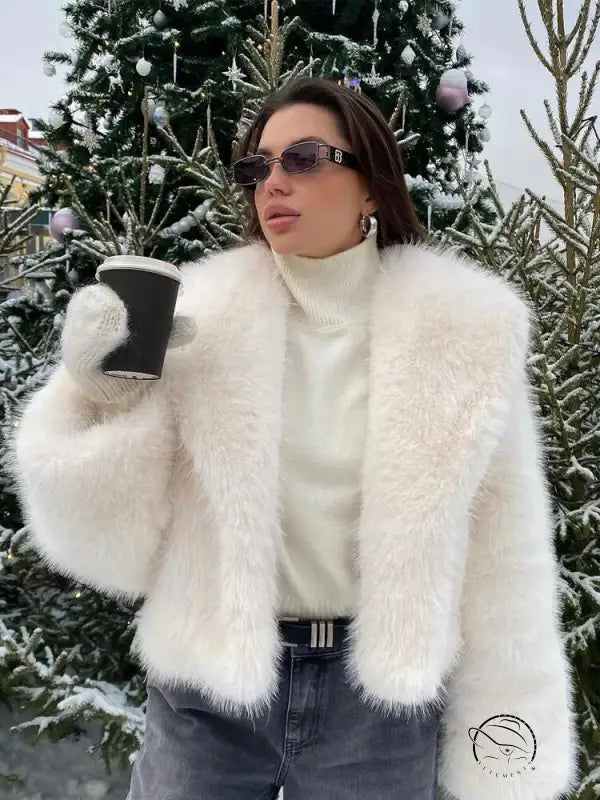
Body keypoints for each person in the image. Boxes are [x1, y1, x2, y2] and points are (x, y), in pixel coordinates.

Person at [10, 77, 578, 800]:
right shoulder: (198, 319)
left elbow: (507, 550)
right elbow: (110, 545)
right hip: (209, 685)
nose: (272, 182)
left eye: (304, 158)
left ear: (371, 185)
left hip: (378, 705)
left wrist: (507, 750)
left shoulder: (465, 332)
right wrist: (97, 399)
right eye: (258, 166)